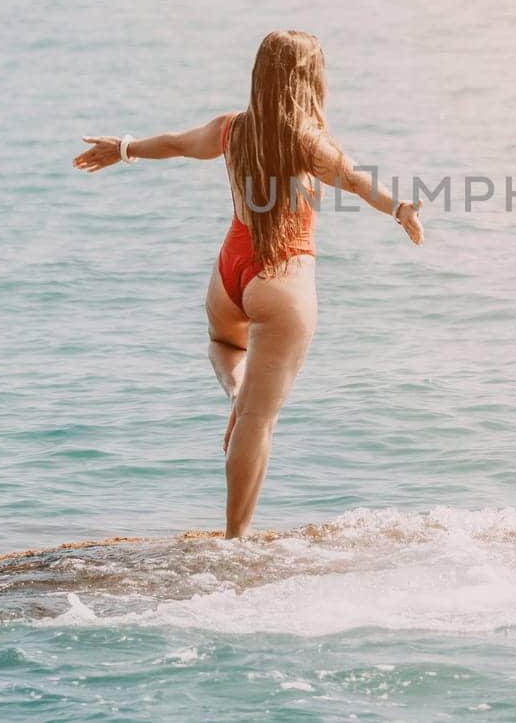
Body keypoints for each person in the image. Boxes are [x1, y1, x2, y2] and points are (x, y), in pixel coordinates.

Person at [73, 30, 424, 537]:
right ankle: (236, 541)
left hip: (231, 271)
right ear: (309, 82)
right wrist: (400, 209)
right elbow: (355, 180)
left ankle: (237, 389)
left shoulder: (231, 129)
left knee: (221, 343)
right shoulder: (308, 141)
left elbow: (173, 144)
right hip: (282, 276)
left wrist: (124, 148)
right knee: (258, 420)